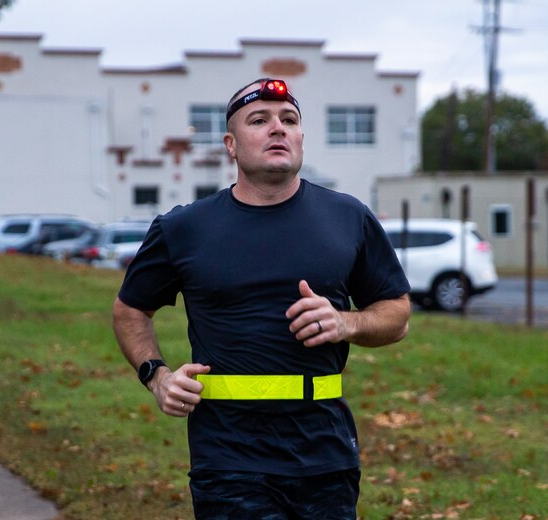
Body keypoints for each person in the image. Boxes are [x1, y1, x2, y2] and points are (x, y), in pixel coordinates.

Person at [112, 77, 411, 519]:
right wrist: (157, 376)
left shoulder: (349, 218)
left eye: (289, 120)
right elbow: (130, 309)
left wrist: (346, 322)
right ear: (231, 145)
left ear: (301, 140)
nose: (278, 128)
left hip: (325, 454)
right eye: (260, 120)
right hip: (228, 457)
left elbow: (397, 315)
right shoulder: (184, 228)